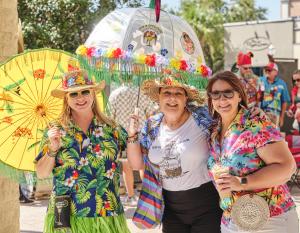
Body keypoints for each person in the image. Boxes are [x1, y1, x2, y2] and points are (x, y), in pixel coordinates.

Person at [35, 69, 130, 233]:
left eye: (85, 91)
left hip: (106, 215)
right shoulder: (54, 130)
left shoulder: (113, 129)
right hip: (67, 217)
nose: (80, 98)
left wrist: (134, 135)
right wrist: (52, 149)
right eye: (73, 94)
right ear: (66, 98)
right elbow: (41, 173)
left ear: (93, 93)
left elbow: (134, 162)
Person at [127, 76, 222, 233]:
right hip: (171, 209)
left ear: (186, 98)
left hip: (207, 206)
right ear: (158, 98)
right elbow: (136, 164)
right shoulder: (152, 125)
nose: (172, 98)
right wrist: (132, 135)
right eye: (167, 92)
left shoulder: (202, 118)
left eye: (178, 93)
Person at [206, 71, 298, 233]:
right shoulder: (214, 130)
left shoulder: (255, 124)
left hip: (270, 220)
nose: (222, 99)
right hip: (232, 220)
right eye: (216, 94)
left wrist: (241, 182)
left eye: (228, 93)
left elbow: (287, 167)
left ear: (239, 96)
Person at [108, 85, 157, 206]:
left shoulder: (115, 93)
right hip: (140, 133)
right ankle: (148, 196)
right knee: (143, 165)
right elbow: (150, 114)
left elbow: (109, 116)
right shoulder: (143, 92)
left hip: (121, 134)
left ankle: (130, 196)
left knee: (126, 166)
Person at [258, 62, 290, 127]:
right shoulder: (260, 80)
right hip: (262, 112)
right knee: (262, 134)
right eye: (266, 70)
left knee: (274, 135)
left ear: (276, 72)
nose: (267, 71)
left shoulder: (282, 83)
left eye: (269, 70)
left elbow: (284, 102)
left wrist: (282, 117)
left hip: (275, 114)